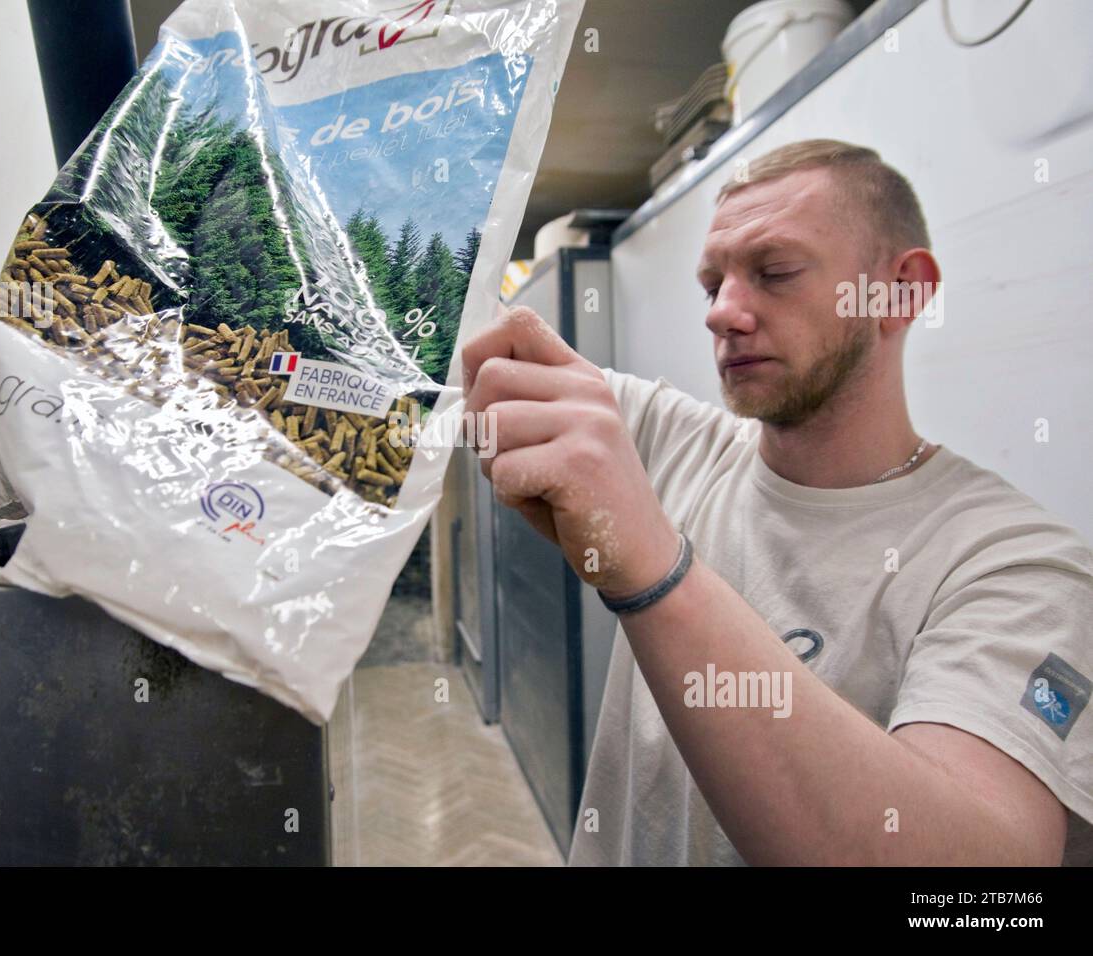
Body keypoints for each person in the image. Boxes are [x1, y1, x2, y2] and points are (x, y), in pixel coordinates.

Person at [461, 139, 1093, 865]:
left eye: (776, 272)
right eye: (712, 285)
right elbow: (465, 362)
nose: (722, 313)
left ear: (899, 291)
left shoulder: (1018, 568)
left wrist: (656, 575)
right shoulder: (674, 443)